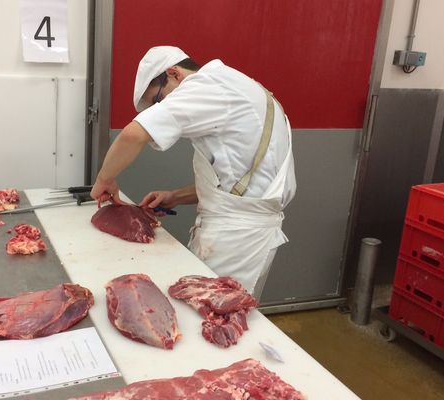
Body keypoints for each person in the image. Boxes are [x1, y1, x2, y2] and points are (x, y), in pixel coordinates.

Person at [91, 46, 296, 299]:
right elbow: (237, 183)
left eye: (158, 99)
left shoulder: (206, 86)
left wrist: (104, 179)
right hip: (246, 230)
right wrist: (175, 196)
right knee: (220, 313)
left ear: (173, 73)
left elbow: (134, 134)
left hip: (236, 238)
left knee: (211, 317)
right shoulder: (236, 85)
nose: (163, 106)